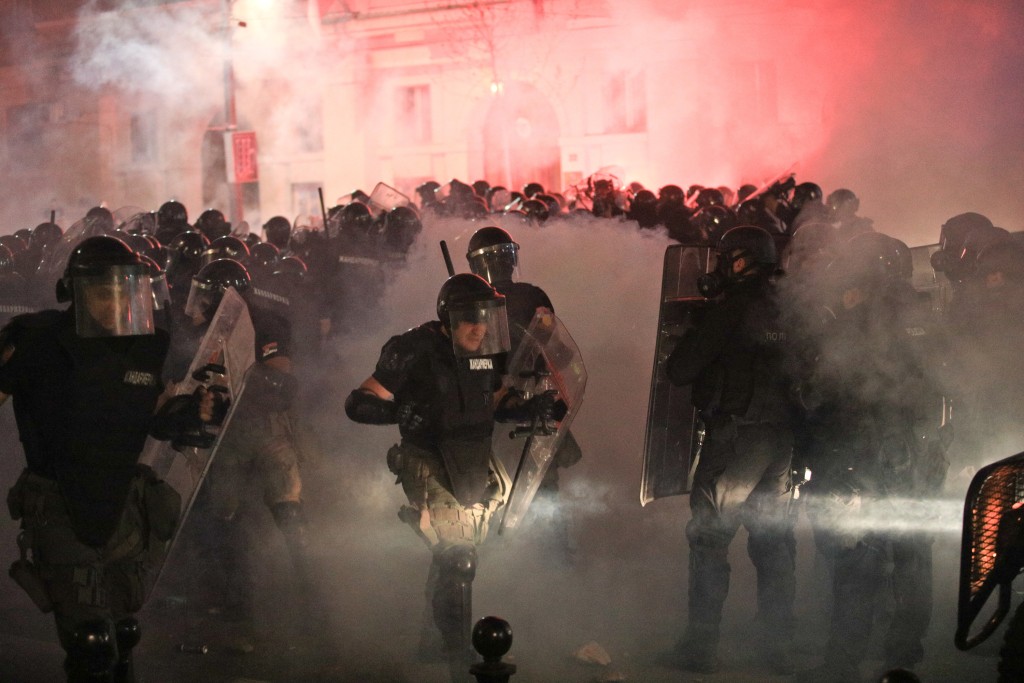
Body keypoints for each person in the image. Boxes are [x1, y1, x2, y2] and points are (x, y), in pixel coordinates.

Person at [0, 235, 212, 682]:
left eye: (126, 291)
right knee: (91, 640)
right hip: (60, 503)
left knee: (123, 630)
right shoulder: (37, 342)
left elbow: (150, 413)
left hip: (123, 502)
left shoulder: (147, 346)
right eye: (103, 291)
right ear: (74, 294)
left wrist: (189, 412)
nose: (116, 302)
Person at [345, 273, 523, 681]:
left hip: (473, 461)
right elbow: (358, 403)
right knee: (460, 561)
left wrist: (529, 410)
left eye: (485, 318)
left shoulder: (486, 350)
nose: (480, 328)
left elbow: (491, 399)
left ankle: (430, 641)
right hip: (426, 457)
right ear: (448, 319)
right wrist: (399, 412)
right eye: (469, 320)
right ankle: (460, 666)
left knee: (450, 554)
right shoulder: (413, 348)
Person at [796, 232, 950, 683]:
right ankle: (904, 652)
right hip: (917, 455)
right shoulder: (925, 315)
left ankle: (842, 661)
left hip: (862, 454)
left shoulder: (854, 324)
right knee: (910, 554)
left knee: (856, 559)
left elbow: (826, 391)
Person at [663, 225, 799, 675]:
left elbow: (681, 371)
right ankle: (774, 646)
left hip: (736, 439)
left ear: (741, 261)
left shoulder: (732, 308)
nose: (722, 266)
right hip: (780, 439)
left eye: (728, 258)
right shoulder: (791, 306)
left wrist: (697, 324)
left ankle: (699, 648)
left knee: (709, 540)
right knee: (774, 542)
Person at [172, 257, 320, 644]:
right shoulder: (204, 331)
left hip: (265, 429)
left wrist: (236, 385)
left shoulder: (266, 323)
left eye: (207, 297)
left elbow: (280, 380)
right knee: (225, 516)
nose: (198, 306)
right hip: (227, 433)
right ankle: (239, 603)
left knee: (288, 510)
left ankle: (312, 601)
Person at [465, 226, 582, 564]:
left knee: (496, 490)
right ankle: (555, 559)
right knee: (542, 487)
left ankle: (505, 562)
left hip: (493, 409)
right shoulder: (532, 295)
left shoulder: (468, 300)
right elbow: (559, 350)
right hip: (531, 407)